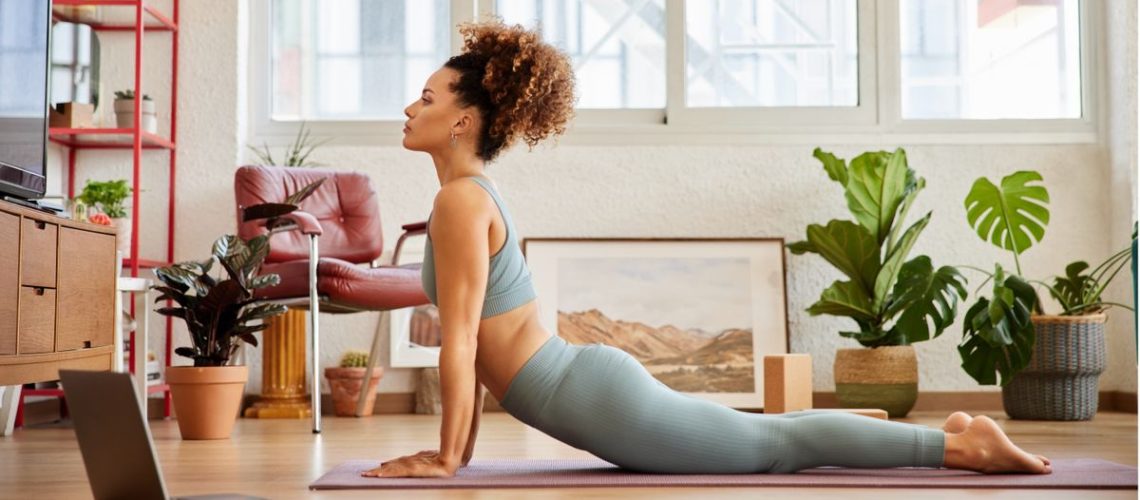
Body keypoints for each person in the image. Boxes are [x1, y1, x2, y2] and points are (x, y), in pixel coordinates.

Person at [362, 20, 1052, 478]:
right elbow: (474, 346)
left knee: (774, 448)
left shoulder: (459, 203)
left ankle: (959, 446)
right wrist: (456, 456)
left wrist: (448, 459)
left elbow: (459, 346)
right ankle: (958, 432)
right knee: (772, 436)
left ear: (463, 120)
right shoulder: (469, 196)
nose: (408, 109)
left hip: (592, 397)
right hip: (582, 385)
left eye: (425, 98)